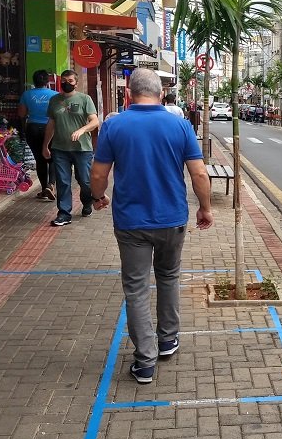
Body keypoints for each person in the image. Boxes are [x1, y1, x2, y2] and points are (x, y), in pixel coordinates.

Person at [90, 69, 213, 384]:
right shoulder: (179, 125)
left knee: (136, 288)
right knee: (169, 277)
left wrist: (97, 197)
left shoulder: (114, 125)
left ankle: (145, 362)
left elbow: (99, 172)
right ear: (161, 94)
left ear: (129, 94)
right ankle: (167, 340)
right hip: (172, 217)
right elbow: (199, 174)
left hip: (131, 223)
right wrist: (205, 207)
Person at [43, 69, 100, 226]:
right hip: (60, 148)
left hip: (82, 149)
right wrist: (45, 145)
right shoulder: (54, 100)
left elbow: (94, 122)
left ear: (76, 83)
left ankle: (87, 202)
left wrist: (81, 130)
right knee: (63, 181)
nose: (66, 83)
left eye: (70, 81)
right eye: (64, 80)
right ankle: (64, 213)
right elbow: (51, 124)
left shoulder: (85, 99)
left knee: (85, 181)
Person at [19, 70, 58, 201]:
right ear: (47, 81)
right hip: (51, 128)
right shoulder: (55, 95)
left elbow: (22, 114)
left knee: (40, 159)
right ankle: (51, 185)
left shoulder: (27, 94)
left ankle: (43, 190)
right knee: (52, 157)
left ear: (34, 81)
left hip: (33, 128)